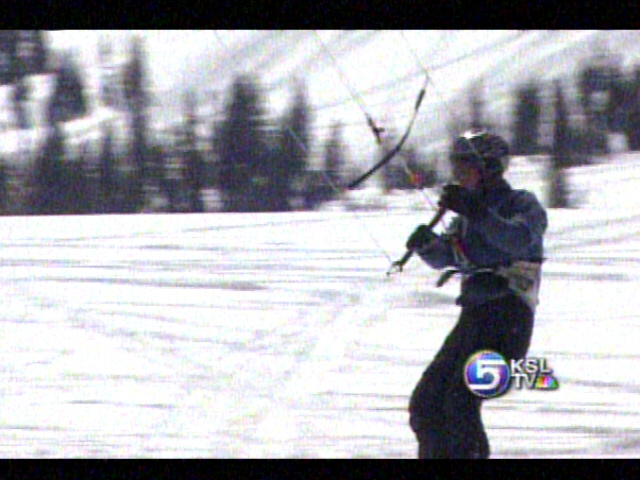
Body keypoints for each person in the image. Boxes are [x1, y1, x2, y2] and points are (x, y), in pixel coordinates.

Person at [405, 130, 548, 459]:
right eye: (455, 169)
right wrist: (427, 246)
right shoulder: (467, 217)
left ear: (490, 168)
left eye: (464, 168)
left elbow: (518, 240)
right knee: (426, 405)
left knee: (460, 401)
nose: (458, 176)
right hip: (473, 320)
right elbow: (451, 256)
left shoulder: (521, 204)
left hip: (508, 322)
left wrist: (477, 212)